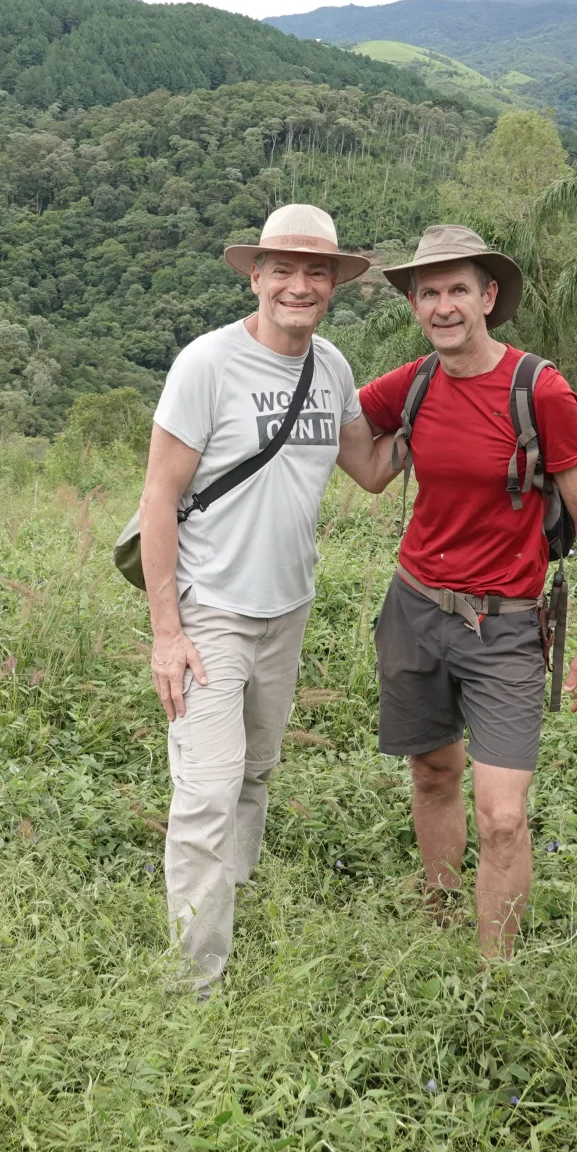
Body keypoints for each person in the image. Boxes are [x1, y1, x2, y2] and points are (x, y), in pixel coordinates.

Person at [341, 224, 577, 957]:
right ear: (415, 306)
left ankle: (495, 979)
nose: (442, 306)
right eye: (427, 292)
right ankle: (438, 917)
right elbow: (368, 466)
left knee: (502, 816)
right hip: (414, 607)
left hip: (505, 626)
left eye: (457, 289)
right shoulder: (415, 383)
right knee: (433, 772)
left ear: (488, 297)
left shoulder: (540, 390)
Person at [139, 204, 377, 994]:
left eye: (317, 273)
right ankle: (194, 982)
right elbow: (159, 499)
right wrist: (166, 632)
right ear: (256, 275)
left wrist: (448, 393)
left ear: (335, 285)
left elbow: (370, 469)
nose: (299, 286)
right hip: (210, 610)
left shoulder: (333, 369)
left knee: (256, 773)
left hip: (288, 608)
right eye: (283, 270)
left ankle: (228, 900)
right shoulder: (206, 365)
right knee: (207, 791)